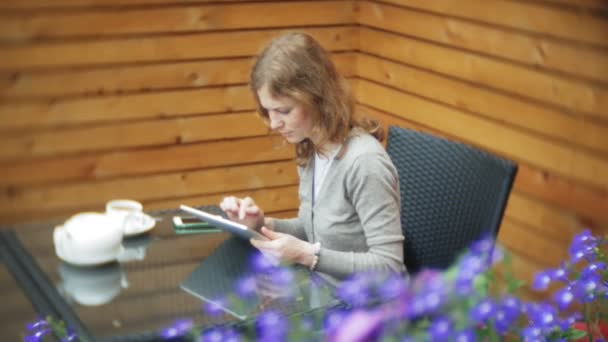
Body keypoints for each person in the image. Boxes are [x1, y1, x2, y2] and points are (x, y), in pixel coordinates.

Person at [220, 32, 405, 283]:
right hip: (324, 294)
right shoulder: (312, 149)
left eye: (283, 110)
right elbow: (313, 229)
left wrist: (308, 256)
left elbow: (389, 266)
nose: (274, 123)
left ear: (316, 97)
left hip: (368, 308)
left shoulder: (365, 163)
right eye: (268, 111)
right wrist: (262, 224)